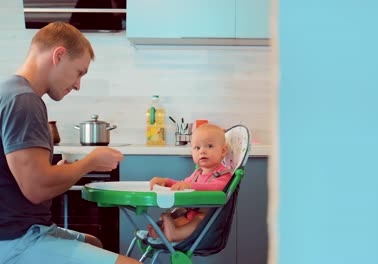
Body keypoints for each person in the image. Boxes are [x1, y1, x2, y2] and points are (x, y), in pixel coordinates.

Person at [0, 22, 140, 264]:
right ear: (59, 55)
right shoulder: (24, 100)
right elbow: (36, 188)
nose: (77, 85)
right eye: (79, 72)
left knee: (93, 242)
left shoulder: (13, 92)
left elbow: (29, 178)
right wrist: (90, 161)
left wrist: (61, 171)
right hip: (16, 240)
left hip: (21, 229)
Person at [148, 124, 231, 242]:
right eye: (197, 148)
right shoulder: (198, 172)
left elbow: (217, 187)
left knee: (199, 219)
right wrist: (166, 182)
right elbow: (183, 184)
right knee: (179, 217)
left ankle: (174, 234)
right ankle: (162, 232)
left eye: (210, 146)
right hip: (189, 215)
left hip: (208, 221)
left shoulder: (224, 174)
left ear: (223, 151)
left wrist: (190, 186)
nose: (202, 151)